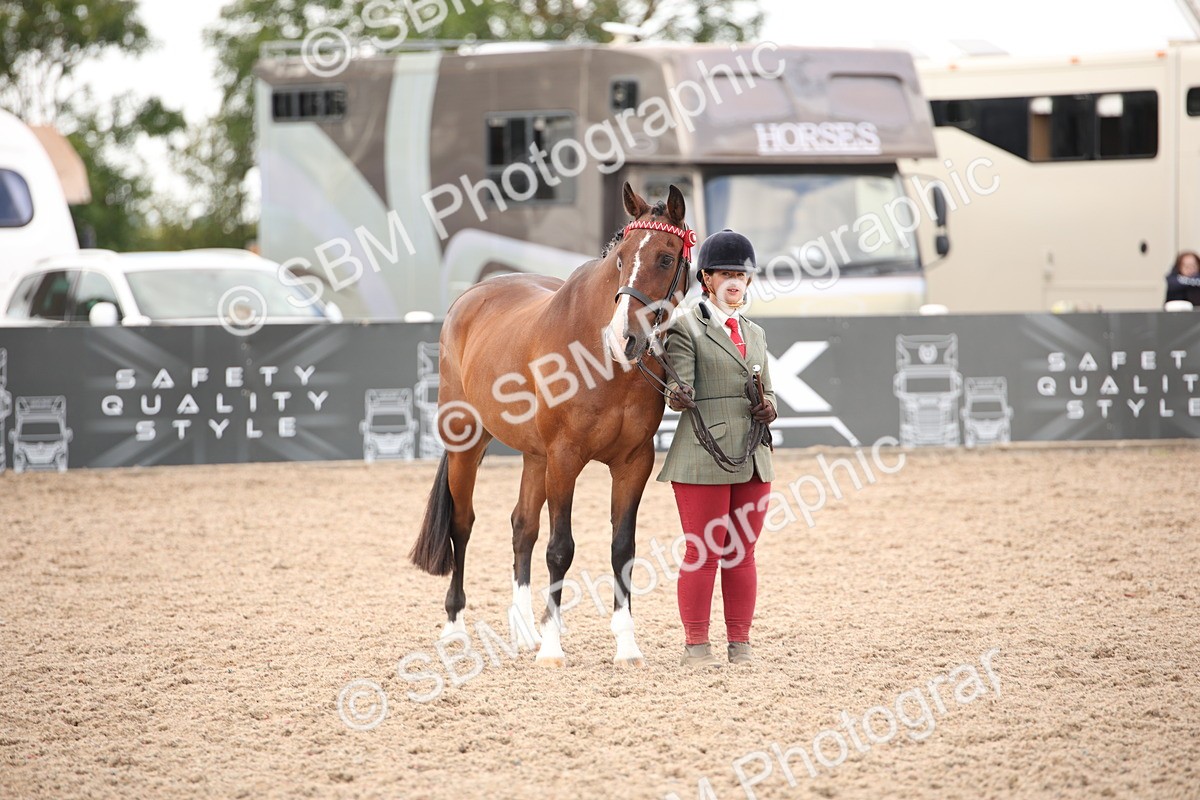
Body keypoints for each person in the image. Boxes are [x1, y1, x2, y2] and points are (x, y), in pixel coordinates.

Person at [657, 228, 777, 669]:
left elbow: (771, 388)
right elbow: (678, 383)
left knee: (742, 551)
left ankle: (740, 643)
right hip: (703, 453)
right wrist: (677, 393)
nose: (734, 282)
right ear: (706, 278)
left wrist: (769, 407)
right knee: (703, 551)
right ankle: (696, 646)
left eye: (741, 275)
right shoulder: (687, 326)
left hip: (752, 453)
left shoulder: (755, 332)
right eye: (725, 274)